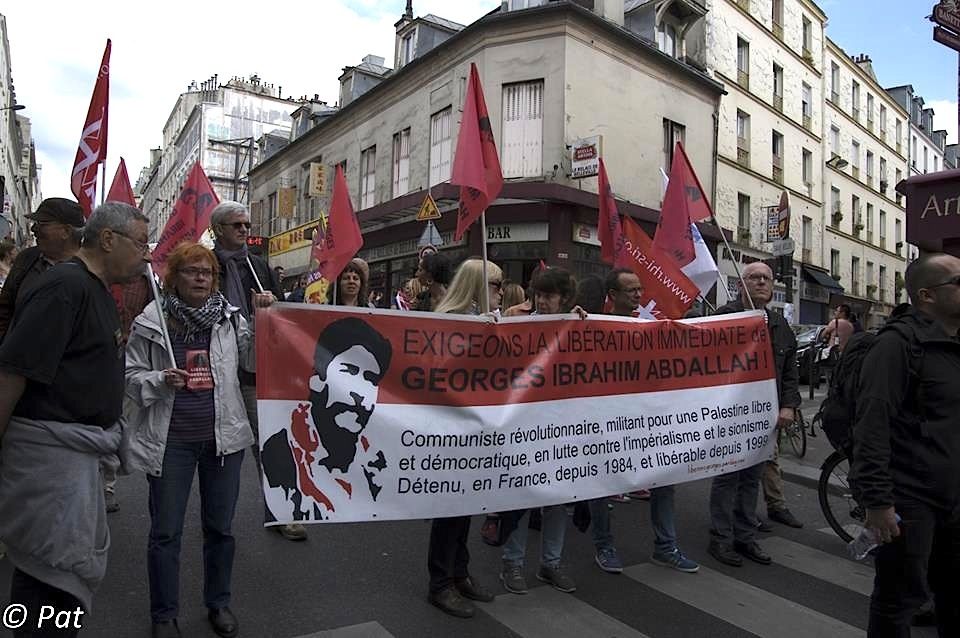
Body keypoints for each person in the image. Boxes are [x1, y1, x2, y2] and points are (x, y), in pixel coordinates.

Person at [0, 201, 150, 636]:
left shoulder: (96, 290)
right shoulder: (64, 287)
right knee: (45, 579)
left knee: (60, 581)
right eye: (140, 243)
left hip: (75, 461)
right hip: (50, 464)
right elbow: (13, 372)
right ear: (108, 239)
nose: (146, 253)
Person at [123, 242, 265, 638]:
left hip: (223, 442)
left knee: (220, 529)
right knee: (165, 532)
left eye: (206, 272)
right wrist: (158, 379)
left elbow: (254, 363)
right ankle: (164, 614)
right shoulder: (152, 321)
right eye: (191, 271)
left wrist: (264, 319)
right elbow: (130, 376)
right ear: (174, 277)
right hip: (171, 443)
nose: (200, 277)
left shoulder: (230, 319)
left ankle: (218, 603)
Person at [852, 252, 960, 637]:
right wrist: (878, 502)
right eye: (958, 282)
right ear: (928, 296)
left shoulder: (953, 342)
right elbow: (871, 424)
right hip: (910, 500)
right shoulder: (897, 346)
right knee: (898, 600)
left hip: (952, 497)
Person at [600, 268, 700, 574]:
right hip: (611, 422)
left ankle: (666, 547)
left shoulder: (651, 327)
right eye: (630, 290)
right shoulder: (596, 327)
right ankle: (604, 545)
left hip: (649, 421)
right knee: (603, 485)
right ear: (612, 295)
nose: (638, 294)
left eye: (639, 289)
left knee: (664, 481)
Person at [209, 201, 298, 541]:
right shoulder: (205, 264)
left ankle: (280, 511)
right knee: (222, 447)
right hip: (217, 368)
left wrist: (271, 305)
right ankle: (218, 520)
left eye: (246, 225)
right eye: (237, 225)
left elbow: (282, 313)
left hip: (252, 370)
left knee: (268, 442)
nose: (245, 230)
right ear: (219, 229)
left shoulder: (258, 265)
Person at [708, 261, 801, 567]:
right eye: (754, 278)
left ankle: (744, 538)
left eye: (766, 278)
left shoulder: (779, 324)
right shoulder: (723, 318)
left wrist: (788, 406)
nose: (761, 282)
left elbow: (789, 371)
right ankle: (720, 540)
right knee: (727, 478)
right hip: (729, 415)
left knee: (751, 478)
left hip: (763, 417)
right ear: (741, 285)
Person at [260, 316, 393, 522]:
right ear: (317, 380)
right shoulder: (279, 452)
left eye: (370, 379)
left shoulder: (378, 462)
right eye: (349, 370)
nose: (360, 391)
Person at [427, 258, 501, 618]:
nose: (501, 292)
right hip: (450, 431)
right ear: (477, 286)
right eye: (496, 284)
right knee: (449, 512)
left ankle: (460, 573)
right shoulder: (448, 322)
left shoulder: (491, 322)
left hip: (476, 431)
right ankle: (440, 583)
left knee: (467, 507)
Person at [499, 268, 581, 596]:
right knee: (520, 495)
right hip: (524, 425)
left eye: (549, 296)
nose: (542, 302)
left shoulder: (577, 325)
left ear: (565, 298)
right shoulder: (520, 324)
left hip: (560, 426)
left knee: (558, 500)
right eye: (539, 295)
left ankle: (551, 563)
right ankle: (512, 563)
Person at [0, 197, 85, 342]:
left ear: (66, 231)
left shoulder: (88, 272)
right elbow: (5, 307)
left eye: (42, 224)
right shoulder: (27, 259)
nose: (33, 229)